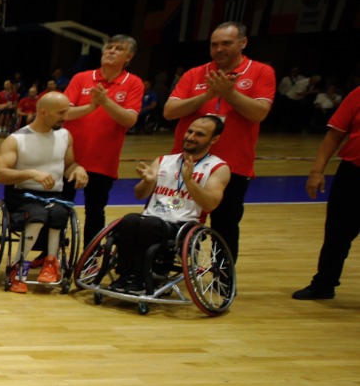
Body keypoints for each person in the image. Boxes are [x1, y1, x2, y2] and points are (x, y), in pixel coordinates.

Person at [163, 22, 275, 261]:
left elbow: (259, 113)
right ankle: (164, 273)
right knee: (172, 218)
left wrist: (229, 93)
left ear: (243, 43)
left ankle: (222, 282)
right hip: (187, 163)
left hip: (233, 165)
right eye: (214, 44)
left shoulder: (261, 72)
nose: (219, 49)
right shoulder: (194, 73)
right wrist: (207, 96)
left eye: (226, 43)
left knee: (225, 225)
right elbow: (170, 111)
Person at [111, 116, 229, 293]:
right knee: (129, 220)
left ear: (214, 139)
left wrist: (189, 181)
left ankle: (147, 277)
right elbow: (139, 194)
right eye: (190, 131)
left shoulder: (218, 167)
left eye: (199, 134)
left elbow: (210, 203)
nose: (191, 137)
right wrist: (148, 182)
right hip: (151, 218)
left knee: (150, 225)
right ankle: (125, 275)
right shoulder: (164, 160)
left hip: (183, 225)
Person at [0, 91, 87, 291]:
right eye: (61, 113)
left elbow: (69, 165)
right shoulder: (17, 139)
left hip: (54, 196)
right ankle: (17, 267)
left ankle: (51, 263)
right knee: (37, 215)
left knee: (60, 213)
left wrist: (78, 169)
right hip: (23, 195)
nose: (65, 117)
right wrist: (30, 173)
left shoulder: (65, 135)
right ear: (43, 112)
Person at [62, 35, 144, 241]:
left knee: (95, 211)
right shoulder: (81, 78)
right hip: (68, 159)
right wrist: (91, 107)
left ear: (129, 56)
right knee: (59, 208)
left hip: (103, 162)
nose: (111, 51)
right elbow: (64, 113)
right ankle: (49, 255)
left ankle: (90, 258)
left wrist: (105, 102)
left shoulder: (133, 83)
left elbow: (130, 120)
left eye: (118, 48)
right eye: (109, 47)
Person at [292, 85, 360, 300]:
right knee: (337, 233)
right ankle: (324, 284)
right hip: (354, 173)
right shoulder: (358, 94)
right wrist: (316, 171)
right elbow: (335, 134)